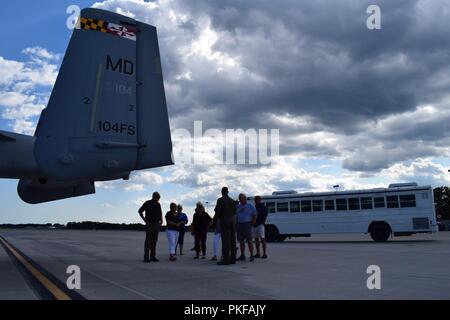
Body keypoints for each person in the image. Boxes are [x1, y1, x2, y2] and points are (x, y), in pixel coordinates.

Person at [214, 187, 237, 265]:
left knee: (225, 241)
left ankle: (226, 259)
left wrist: (215, 220)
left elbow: (217, 212)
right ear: (228, 192)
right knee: (233, 240)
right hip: (232, 222)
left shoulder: (220, 200)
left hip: (224, 221)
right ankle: (233, 259)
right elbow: (234, 212)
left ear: (222, 192)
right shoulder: (232, 201)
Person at [138, 192, 163, 262]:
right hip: (149, 225)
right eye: (158, 198)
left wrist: (161, 220)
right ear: (154, 197)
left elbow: (160, 213)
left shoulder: (158, 204)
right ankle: (146, 257)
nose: (158, 199)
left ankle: (153, 256)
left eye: (159, 198)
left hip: (156, 224)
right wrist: (145, 220)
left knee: (154, 241)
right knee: (148, 241)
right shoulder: (147, 203)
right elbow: (140, 211)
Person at [236, 193, 257, 262]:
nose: (240, 199)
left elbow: (254, 215)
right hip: (239, 225)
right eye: (240, 198)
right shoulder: (238, 206)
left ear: (245, 198)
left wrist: (251, 224)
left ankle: (251, 255)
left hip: (247, 224)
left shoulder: (250, 206)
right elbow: (236, 215)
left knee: (249, 241)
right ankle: (242, 255)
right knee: (241, 241)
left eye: (241, 198)